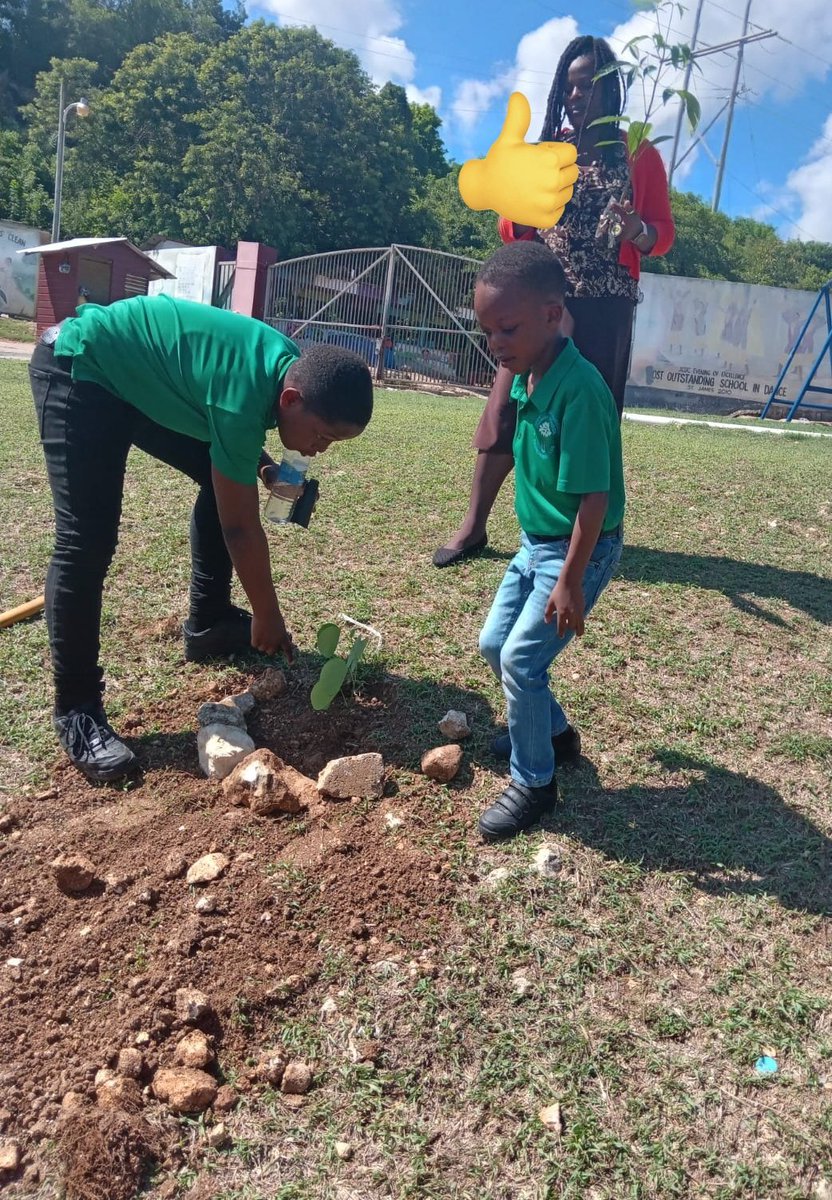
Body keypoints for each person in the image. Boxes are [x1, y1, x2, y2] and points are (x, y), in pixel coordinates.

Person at [28, 294, 373, 784]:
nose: (320, 449)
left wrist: (261, 465)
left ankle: (208, 622)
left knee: (223, 480)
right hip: (80, 368)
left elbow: (225, 421)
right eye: (322, 436)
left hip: (137, 380)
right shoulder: (245, 392)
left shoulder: (281, 368)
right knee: (85, 542)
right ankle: (76, 709)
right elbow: (239, 526)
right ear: (292, 400)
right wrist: (268, 616)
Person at [434, 35, 672, 568]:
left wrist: (637, 231)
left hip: (608, 302)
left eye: (587, 85)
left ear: (611, 90)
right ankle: (473, 525)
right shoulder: (548, 149)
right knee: (508, 401)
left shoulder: (638, 155)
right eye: (568, 87)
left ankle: (586, 536)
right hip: (547, 302)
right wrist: (518, 210)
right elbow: (511, 229)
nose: (575, 96)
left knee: (591, 417)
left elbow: (663, 234)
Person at [474, 241, 624, 840]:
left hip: (575, 551)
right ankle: (556, 735)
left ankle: (535, 781)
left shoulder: (581, 391)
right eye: (487, 331)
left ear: (551, 313)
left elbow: (595, 499)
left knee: (522, 659)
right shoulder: (526, 374)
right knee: (494, 645)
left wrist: (569, 581)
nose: (496, 344)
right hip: (535, 544)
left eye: (506, 328)